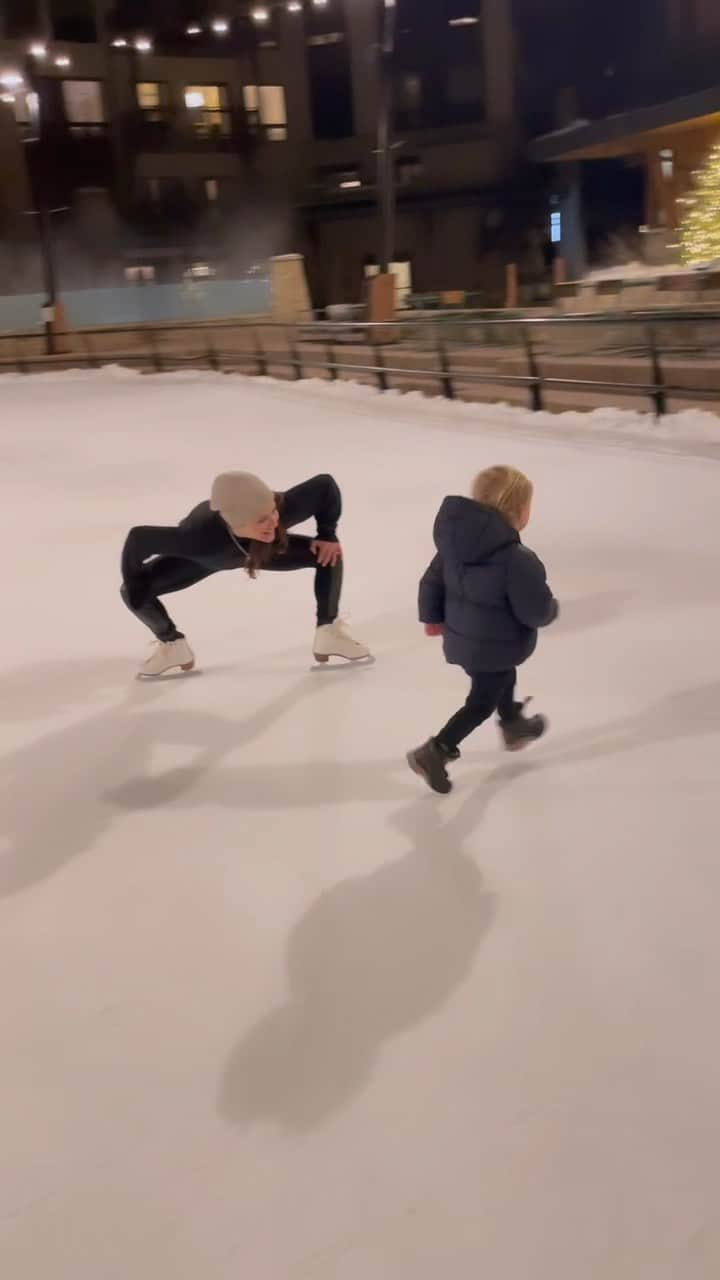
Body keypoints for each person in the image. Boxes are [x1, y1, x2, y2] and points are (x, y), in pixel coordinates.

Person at [121, 471, 370, 676]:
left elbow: (324, 486)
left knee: (328, 553)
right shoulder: (196, 538)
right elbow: (138, 539)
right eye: (262, 520)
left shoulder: (277, 510)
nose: (274, 522)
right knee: (131, 591)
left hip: (259, 550)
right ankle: (172, 644)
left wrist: (327, 534)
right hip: (206, 559)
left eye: (273, 512)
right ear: (235, 522)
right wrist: (133, 583)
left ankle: (328, 632)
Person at [407, 465, 558, 794]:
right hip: (493, 643)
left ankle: (513, 725)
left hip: (464, 639)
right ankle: (436, 751)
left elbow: (430, 582)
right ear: (519, 512)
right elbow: (535, 610)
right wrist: (551, 609)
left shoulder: (454, 547)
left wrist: (432, 618)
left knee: (502, 675)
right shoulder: (516, 559)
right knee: (481, 701)